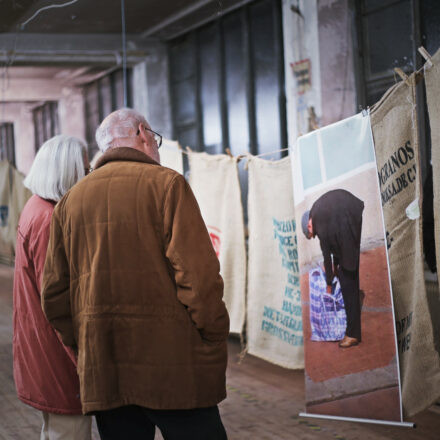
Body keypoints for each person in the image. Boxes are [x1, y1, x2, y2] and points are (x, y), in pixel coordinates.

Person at [41, 108, 230, 440]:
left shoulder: (70, 202)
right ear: (143, 133)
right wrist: (214, 335)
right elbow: (199, 279)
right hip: (175, 366)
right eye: (154, 138)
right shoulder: (167, 185)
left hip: (106, 368)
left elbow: (54, 295)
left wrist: (87, 342)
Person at [13, 135, 92, 439]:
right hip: (56, 350)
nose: (87, 178)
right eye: (83, 171)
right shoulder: (49, 219)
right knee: (70, 430)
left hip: (42, 342)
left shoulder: (37, 206)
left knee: (58, 429)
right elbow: (58, 296)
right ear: (66, 173)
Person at [302, 189, 364, 348]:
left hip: (348, 216)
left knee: (347, 278)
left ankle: (353, 334)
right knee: (348, 268)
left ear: (309, 224)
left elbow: (326, 256)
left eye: (311, 234)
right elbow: (335, 238)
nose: (314, 235)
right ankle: (353, 325)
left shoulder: (319, 222)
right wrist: (337, 265)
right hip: (352, 211)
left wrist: (329, 284)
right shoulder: (320, 214)